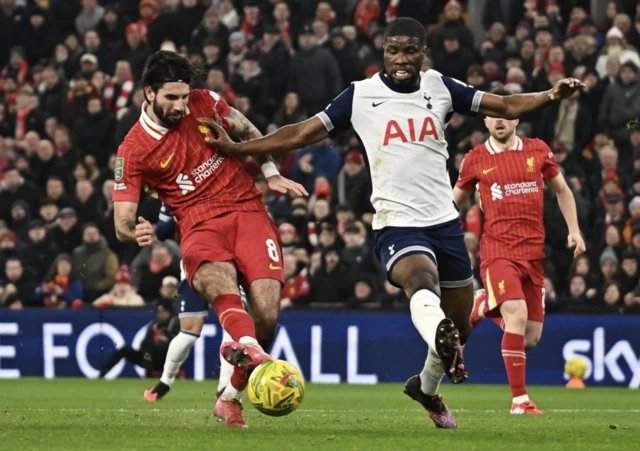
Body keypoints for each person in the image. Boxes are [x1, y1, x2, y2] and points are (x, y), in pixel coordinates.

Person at [198, 17, 585, 429]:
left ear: (422, 53)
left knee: (459, 326)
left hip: (445, 223)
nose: (401, 59)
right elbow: (300, 133)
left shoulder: (441, 87)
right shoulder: (361, 95)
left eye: (409, 51)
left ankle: (427, 387)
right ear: (383, 51)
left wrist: (550, 95)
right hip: (397, 223)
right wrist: (241, 148)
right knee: (421, 281)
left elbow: (505, 105)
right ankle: (438, 332)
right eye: (393, 50)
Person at [112, 50, 306, 428]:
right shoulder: (132, 150)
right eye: (171, 98)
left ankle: (230, 393)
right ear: (148, 94)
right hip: (198, 223)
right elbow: (121, 218)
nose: (181, 105)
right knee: (220, 287)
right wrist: (134, 229)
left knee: (266, 316)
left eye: (184, 96)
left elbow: (248, 131)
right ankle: (243, 355)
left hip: (248, 211)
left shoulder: (204, 102)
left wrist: (270, 172)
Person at [453, 87, 586, 415]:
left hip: (534, 255)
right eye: (492, 115)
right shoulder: (475, 159)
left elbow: (563, 190)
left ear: (516, 116)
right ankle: (520, 400)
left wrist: (574, 230)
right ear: (484, 120)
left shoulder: (537, 150)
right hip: (498, 251)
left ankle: (484, 302)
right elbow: (453, 201)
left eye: (504, 114)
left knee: (529, 337)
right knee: (515, 313)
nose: (498, 120)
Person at [142, 204, 248, 403]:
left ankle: (223, 387)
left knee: (232, 324)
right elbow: (162, 232)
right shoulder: (174, 192)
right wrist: (175, 215)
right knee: (189, 332)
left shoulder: (230, 186)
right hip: (195, 265)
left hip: (230, 265)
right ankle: (165, 381)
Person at [98, 298, 179, 378]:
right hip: (149, 358)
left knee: (148, 347)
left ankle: (149, 375)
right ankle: (102, 374)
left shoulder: (174, 324)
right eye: (159, 312)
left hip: (165, 360)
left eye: (164, 311)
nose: (161, 314)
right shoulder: (154, 325)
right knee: (125, 349)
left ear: (169, 312)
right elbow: (145, 342)